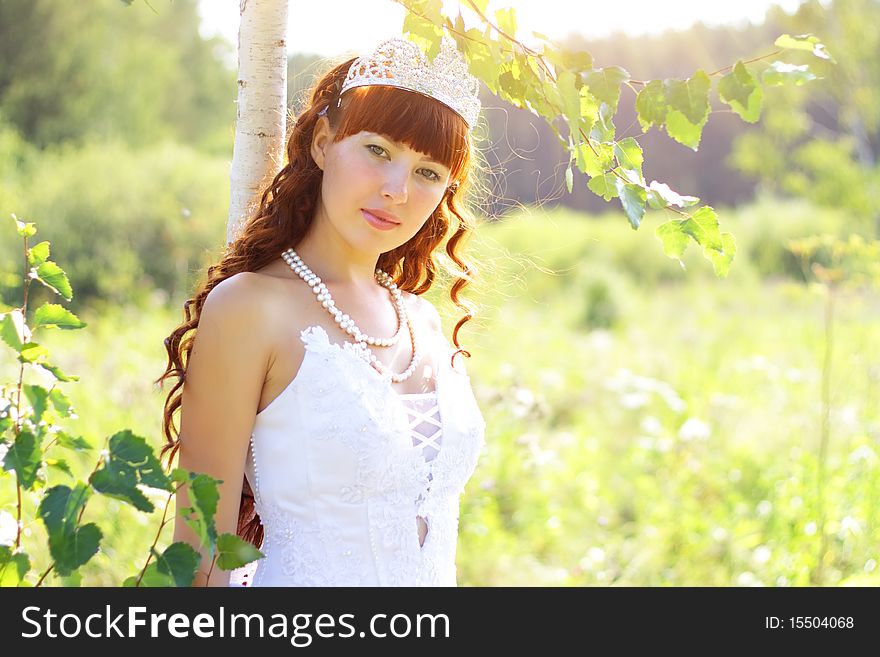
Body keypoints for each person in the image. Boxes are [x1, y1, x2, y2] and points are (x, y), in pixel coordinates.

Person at [157, 37, 487, 587]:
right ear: (322, 145)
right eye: (378, 150)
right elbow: (202, 554)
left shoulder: (423, 323)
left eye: (428, 172)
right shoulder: (250, 309)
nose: (396, 190)